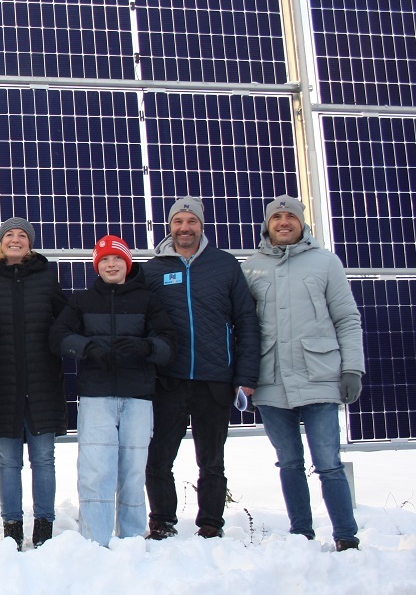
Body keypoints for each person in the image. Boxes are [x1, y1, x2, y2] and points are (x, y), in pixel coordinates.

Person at [242, 195, 365, 551]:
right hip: (270, 379)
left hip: (319, 377)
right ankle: (302, 535)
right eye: (276, 217)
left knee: (328, 463)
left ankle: (346, 537)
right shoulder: (251, 268)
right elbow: (241, 328)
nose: (283, 222)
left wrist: (352, 368)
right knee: (289, 463)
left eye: (290, 217)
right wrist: (245, 378)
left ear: (301, 223)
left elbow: (347, 319)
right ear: (268, 225)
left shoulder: (326, 263)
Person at [142, 196, 260, 539]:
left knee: (211, 460)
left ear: (201, 226)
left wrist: (245, 375)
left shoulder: (224, 265)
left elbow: (247, 323)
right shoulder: (153, 270)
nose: (185, 228)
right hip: (169, 380)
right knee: (159, 457)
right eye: (178, 221)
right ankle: (162, 520)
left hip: (214, 379)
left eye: (191, 221)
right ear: (170, 226)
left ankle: (210, 523)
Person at [51, 235, 176, 545]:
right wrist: (88, 348)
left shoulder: (147, 300)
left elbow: (168, 344)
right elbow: (59, 337)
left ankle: (132, 537)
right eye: (104, 259)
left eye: (117, 258)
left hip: (137, 396)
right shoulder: (82, 300)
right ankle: (96, 539)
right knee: (95, 471)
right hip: (97, 397)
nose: (111, 264)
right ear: (97, 265)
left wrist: (144, 347)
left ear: (127, 263)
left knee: (133, 471)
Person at [0, 217, 66, 548]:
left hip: (43, 384)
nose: (15, 239)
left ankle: (44, 526)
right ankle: (11, 526)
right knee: (8, 460)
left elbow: (66, 324)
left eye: (22, 235)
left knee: (43, 458)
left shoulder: (48, 280)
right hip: (2, 386)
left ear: (30, 242)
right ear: (0, 243)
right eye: (9, 235)